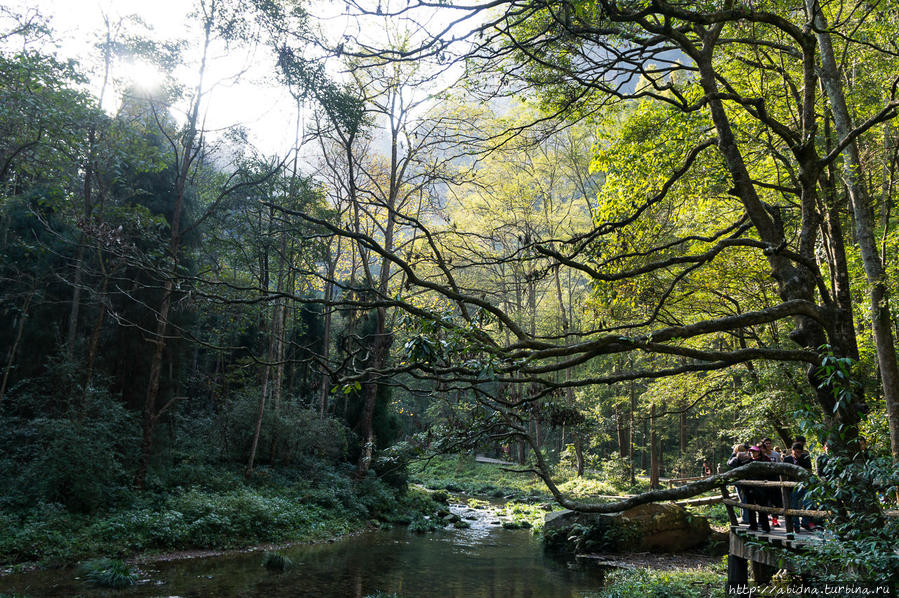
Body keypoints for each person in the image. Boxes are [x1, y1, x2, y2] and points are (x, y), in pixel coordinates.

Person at [783, 441, 813, 531]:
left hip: (804, 485)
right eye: (796, 452)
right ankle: (795, 525)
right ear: (792, 451)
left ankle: (805, 522)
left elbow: (809, 471)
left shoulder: (805, 458)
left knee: (808, 503)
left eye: (800, 452)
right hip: (792, 486)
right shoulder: (787, 459)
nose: (797, 454)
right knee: (794, 505)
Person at [744, 445, 772, 532]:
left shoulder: (763, 461)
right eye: (751, 452)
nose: (752, 453)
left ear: (758, 452)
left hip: (761, 488)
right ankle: (753, 525)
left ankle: (765, 527)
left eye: (754, 451)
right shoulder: (747, 462)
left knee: (762, 508)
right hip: (749, 488)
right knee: (750, 508)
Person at [727, 443, 752, 524]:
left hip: (740, 482)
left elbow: (729, 463)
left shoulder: (736, 458)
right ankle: (748, 518)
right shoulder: (749, 457)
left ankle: (745, 518)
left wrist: (733, 454)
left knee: (743, 499)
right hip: (749, 481)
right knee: (748, 499)